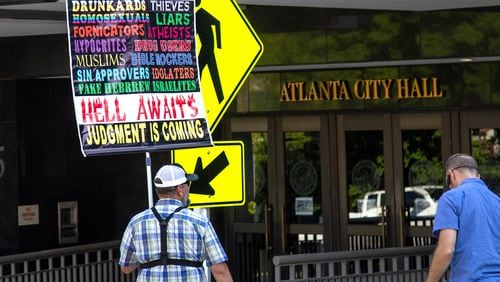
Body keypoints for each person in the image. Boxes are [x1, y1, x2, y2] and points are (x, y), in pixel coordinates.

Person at [119, 164, 233, 281]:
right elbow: (220, 270)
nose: (189, 189)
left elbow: (126, 267)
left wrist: (150, 257)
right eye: (188, 185)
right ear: (180, 189)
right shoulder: (200, 222)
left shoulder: (136, 222)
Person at [427, 153, 500, 282]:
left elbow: (446, 249)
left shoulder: (450, 198)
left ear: (451, 175)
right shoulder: (496, 200)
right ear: (478, 176)